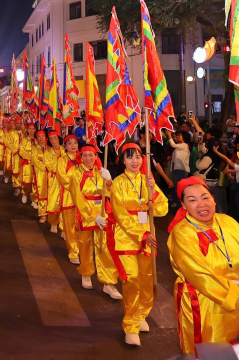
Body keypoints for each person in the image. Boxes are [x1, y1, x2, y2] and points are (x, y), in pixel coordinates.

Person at [167, 177, 239, 354]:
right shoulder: (181, 233)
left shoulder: (228, 222)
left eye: (205, 197)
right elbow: (199, 275)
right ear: (183, 205)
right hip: (205, 303)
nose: (201, 204)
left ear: (214, 199)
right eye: (192, 200)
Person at [106, 143, 168, 346]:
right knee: (131, 280)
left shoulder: (147, 180)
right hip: (127, 237)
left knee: (146, 279)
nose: (135, 161)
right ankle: (130, 325)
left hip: (147, 237)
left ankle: (142, 314)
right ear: (122, 160)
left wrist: (154, 192)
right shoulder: (117, 183)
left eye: (138, 157)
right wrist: (141, 235)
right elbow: (121, 215)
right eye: (129, 157)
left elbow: (162, 209)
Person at [68, 144, 115, 292]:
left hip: (103, 212)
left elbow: (110, 194)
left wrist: (108, 182)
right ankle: (86, 273)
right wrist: (92, 216)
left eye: (91, 155)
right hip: (86, 213)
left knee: (105, 247)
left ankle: (108, 281)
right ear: (80, 157)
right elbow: (77, 197)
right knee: (85, 244)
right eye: (85, 155)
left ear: (96, 156)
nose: (88, 158)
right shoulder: (75, 173)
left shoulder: (102, 172)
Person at [57, 134, 81, 263]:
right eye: (70, 143)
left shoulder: (84, 157)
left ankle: (83, 249)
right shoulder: (62, 160)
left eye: (75, 142)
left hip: (84, 198)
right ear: (65, 146)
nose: (73, 145)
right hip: (69, 196)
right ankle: (73, 252)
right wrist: (76, 187)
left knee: (82, 227)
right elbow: (62, 178)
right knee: (71, 227)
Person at [32, 130, 53, 223]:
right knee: (42, 194)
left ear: (46, 138)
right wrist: (46, 165)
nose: (41, 138)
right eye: (39, 136)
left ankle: (51, 213)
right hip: (40, 173)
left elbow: (54, 161)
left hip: (51, 174)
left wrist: (49, 165)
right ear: (36, 139)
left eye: (42, 136)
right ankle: (42, 214)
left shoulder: (50, 149)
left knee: (51, 194)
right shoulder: (34, 148)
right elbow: (35, 160)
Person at [45, 130, 63, 232]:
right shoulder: (48, 152)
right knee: (53, 201)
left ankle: (64, 227)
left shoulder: (65, 150)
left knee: (65, 202)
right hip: (54, 179)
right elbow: (50, 166)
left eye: (55, 138)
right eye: (51, 138)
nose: (53, 140)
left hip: (66, 180)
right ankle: (53, 223)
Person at [19, 122, 37, 207]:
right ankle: (25, 194)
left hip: (37, 164)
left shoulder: (38, 140)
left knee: (36, 181)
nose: (31, 130)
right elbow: (21, 151)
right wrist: (30, 157)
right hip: (27, 163)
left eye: (33, 129)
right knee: (27, 180)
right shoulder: (24, 140)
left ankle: (34, 200)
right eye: (30, 128)